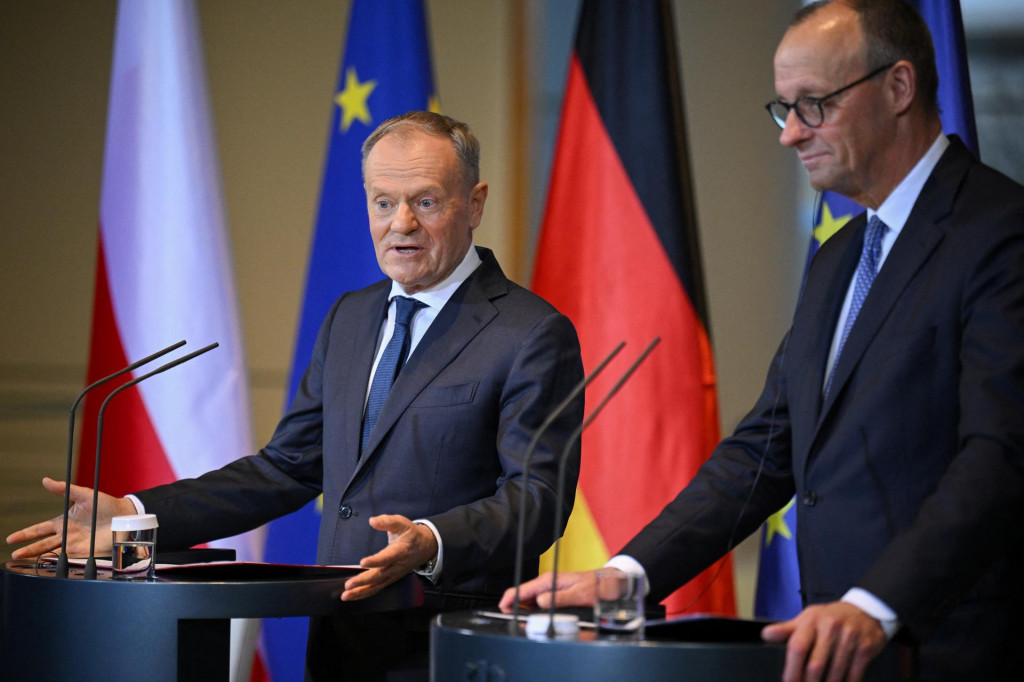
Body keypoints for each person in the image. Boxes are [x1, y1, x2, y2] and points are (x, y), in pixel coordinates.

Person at [501, 1, 1024, 680]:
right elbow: (763, 450)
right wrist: (627, 576)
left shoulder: (999, 234)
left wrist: (876, 604)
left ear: (899, 87)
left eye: (814, 105)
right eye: (784, 109)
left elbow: (1000, 455)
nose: (790, 135)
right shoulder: (840, 260)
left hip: (949, 648)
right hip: (823, 649)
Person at [8, 111, 585, 681]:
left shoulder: (530, 333)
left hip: (447, 644)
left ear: (475, 204)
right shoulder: (351, 316)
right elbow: (286, 468)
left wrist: (431, 541)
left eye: (426, 201)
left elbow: (538, 498)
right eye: (383, 202)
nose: (401, 222)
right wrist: (137, 515)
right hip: (339, 638)